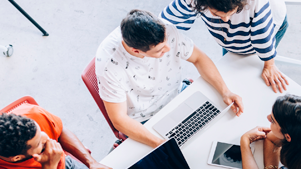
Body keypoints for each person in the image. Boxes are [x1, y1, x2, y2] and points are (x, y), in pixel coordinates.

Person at [95, 9, 244, 148]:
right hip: (146, 119)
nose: (168, 48)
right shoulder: (109, 65)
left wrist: (225, 91)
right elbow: (119, 120)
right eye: (160, 50)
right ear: (136, 51)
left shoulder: (165, 29)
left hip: (179, 94)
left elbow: (199, 58)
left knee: (224, 131)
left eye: (166, 41)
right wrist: (162, 144)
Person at [161, 0, 290, 93]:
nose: (226, 20)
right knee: (230, 65)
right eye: (217, 14)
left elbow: (263, 37)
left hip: (270, 24)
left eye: (231, 14)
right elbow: (169, 21)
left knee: (247, 76)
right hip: (235, 33)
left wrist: (269, 64)